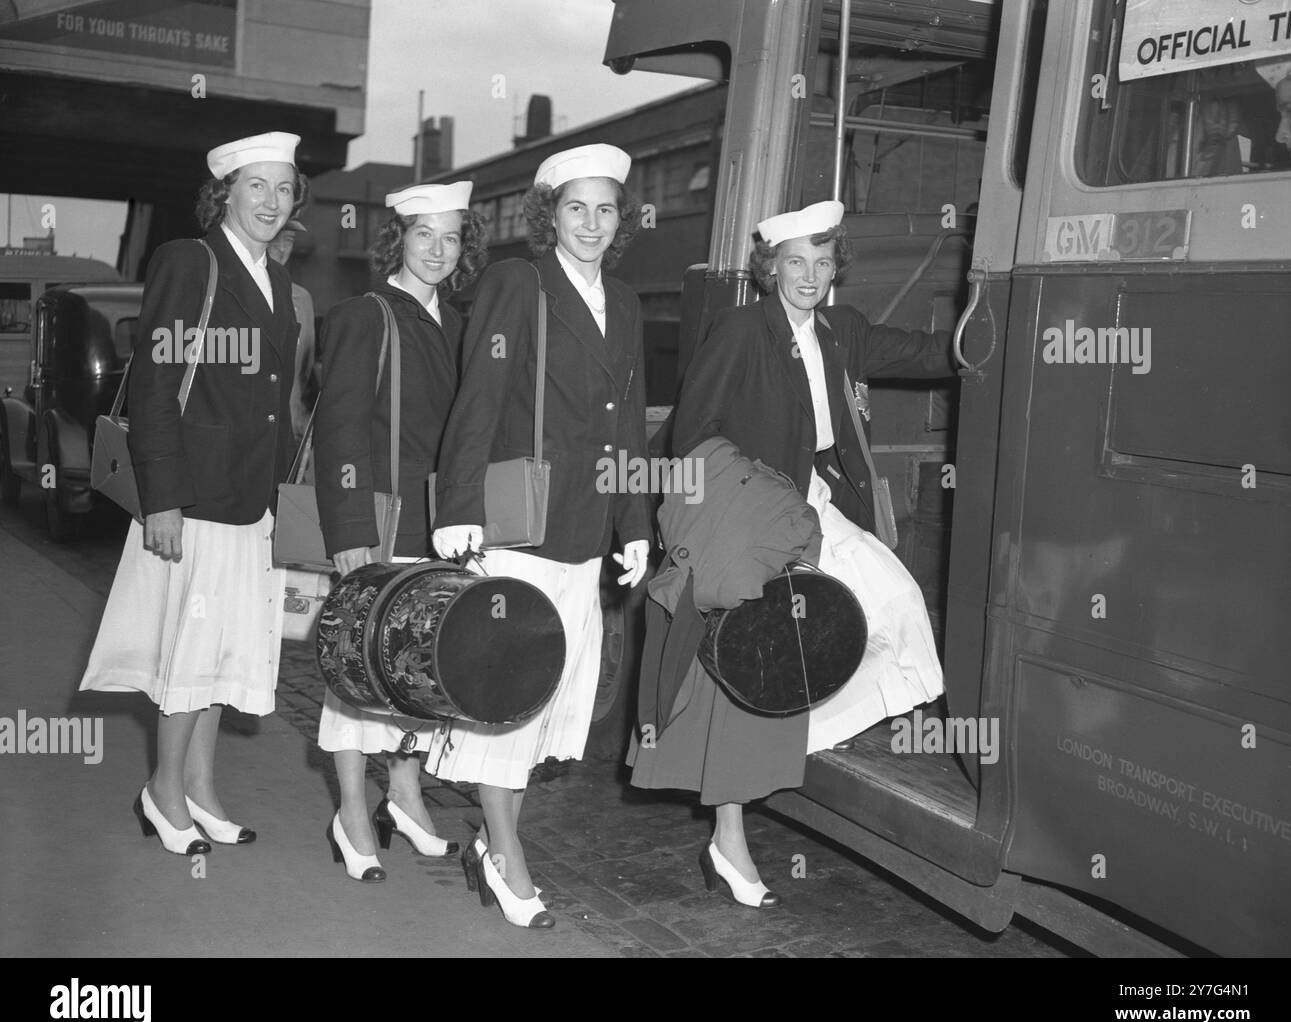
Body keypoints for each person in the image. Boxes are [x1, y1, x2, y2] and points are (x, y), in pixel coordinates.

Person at [629, 200, 951, 906]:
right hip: (756, 511)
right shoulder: (742, 329)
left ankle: (805, 733)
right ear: (770, 269)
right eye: (795, 261)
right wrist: (735, 509)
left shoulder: (842, 330)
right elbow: (694, 430)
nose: (810, 274)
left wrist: (994, 333)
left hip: (814, 508)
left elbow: (927, 353)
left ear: (837, 268)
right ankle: (731, 838)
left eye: (823, 261)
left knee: (893, 605)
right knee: (752, 664)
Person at [430, 144, 651, 928]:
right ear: (548, 214)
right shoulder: (515, 283)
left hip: (586, 529)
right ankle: (505, 856)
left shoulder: (622, 303)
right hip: (518, 525)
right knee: (507, 693)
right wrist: (460, 505)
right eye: (576, 208)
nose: (591, 223)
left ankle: (495, 844)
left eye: (606, 209)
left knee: (546, 694)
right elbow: (478, 400)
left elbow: (628, 420)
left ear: (621, 219)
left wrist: (633, 521)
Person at [80, 132, 306, 855]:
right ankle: (162, 792)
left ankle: (203, 792)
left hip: (254, 503)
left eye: (283, 188)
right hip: (198, 499)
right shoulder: (191, 262)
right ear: (226, 194)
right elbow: (152, 385)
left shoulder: (279, 279)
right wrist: (164, 497)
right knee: (188, 655)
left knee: (224, 656)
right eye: (257, 186)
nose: (272, 201)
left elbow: (280, 400)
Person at [312, 181, 487, 881]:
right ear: (398, 239)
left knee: (421, 665)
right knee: (358, 665)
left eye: (451, 237)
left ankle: (406, 793)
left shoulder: (460, 321)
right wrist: (349, 525)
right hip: (379, 518)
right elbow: (340, 428)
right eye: (424, 235)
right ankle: (352, 807)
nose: (439, 250)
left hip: (439, 524)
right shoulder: (366, 315)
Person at [266, 218, 317, 439]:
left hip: (288, 433)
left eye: (288, 240)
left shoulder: (301, 299)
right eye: (274, 238)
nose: (281, 248)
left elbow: (306, 373)